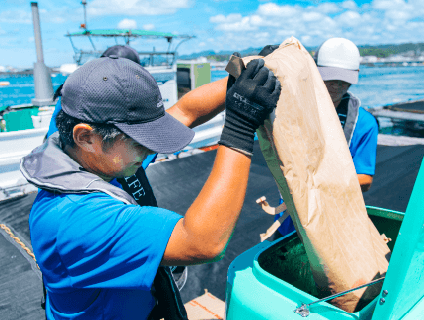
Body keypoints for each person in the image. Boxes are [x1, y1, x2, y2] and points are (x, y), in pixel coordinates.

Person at [21, 56, 281, 319]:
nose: (150, 149)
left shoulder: (91, 151)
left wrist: (244, 81)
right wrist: (240, 126)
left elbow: (184, 112)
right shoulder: (74, 219)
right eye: (140, 141)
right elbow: (203, 242)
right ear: (86, 137)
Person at [273, 37, 379, 238]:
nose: (336, 85)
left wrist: (318, 183)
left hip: (333, 224)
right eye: (329, 77)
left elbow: (365, 179)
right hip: (289, 220)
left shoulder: (364, 124)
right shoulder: (291, 107)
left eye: (343, 79)